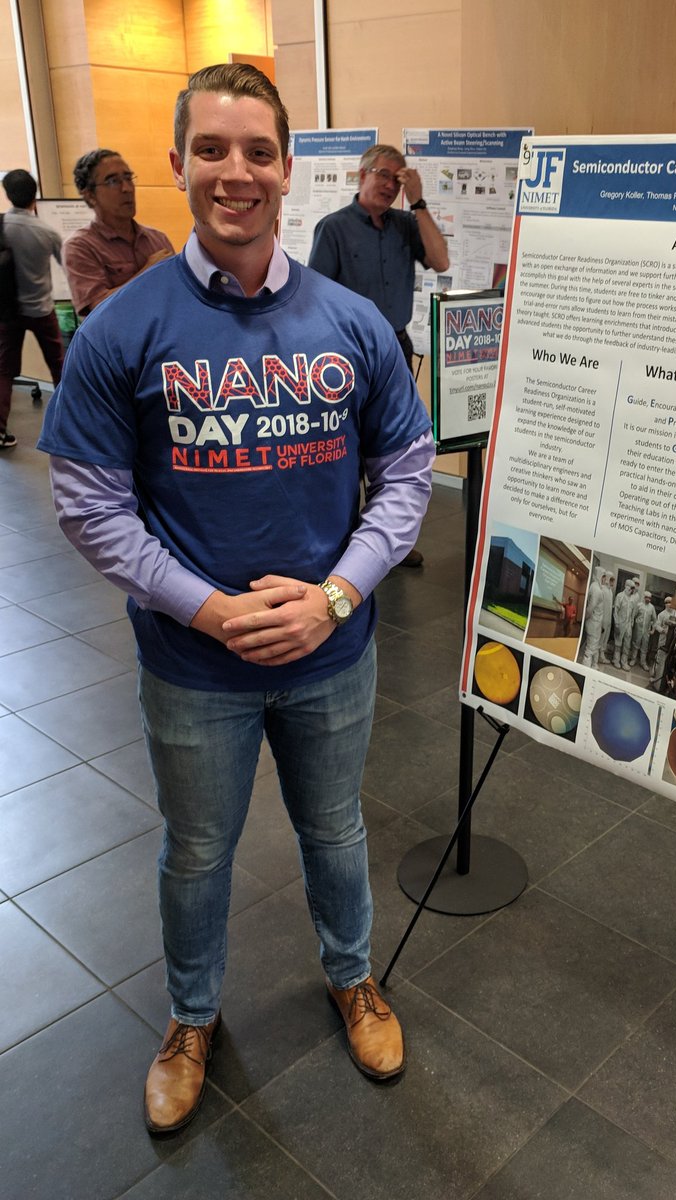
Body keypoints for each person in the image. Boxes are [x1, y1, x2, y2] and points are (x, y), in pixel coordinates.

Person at [39, 63, 433, 1136]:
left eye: (257, 151)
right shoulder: (124, 328)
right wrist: (205, 608)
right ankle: (191, 1017)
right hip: (192, 666)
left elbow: (406, 472)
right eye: (211, 149)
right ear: (176, 164)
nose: (235, 172)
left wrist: (339, 598)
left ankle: (352, 979)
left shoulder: (349, 323)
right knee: (197, 851)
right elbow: (87, 502)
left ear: (286, 169)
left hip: (331, 658)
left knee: (335, 832)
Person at [308, 144, 449, 567]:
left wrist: (419, 199)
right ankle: (344, 540)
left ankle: (385, 539)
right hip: (346, 352)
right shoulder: (333, 227)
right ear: (362, 174)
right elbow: (316, 295)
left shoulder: (407, 224)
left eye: (398, 179)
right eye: (384, 175)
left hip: (395, 344)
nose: (390, 185)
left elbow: (441, 260)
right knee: (347, 446)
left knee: (391, 446)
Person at [63, 148, 174, 318]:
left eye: (128, 178)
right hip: (120, 343)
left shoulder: (157, 239)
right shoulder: (79, 247)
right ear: (90, 195)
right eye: (113, 181)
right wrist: (148, 272)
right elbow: (98, 310)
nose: (127, 188)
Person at [0, 170, 64, 449]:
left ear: (7, 194)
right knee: (60, 368)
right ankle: (69, 425)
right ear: (34, 193)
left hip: (7, 312)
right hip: (41, 309)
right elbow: (68, 267)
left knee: (3, 371)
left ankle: (0, 431)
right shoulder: (47, 231)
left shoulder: (1, 225)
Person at [580, 571, 605, 666]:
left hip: (596, 623)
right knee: (590, 649)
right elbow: (590, 608)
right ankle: (586, 670)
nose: (604, 580)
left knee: (593, 647)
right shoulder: (596, 589)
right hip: (593, 623)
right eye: (603, 577)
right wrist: (585, 619)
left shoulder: (597, 587)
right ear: (599, 576)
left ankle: (593, 666)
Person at [631, 590, 657, 670]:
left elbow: (654, 620)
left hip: (646, 631)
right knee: (635, 645)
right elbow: (633, 616)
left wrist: (653, 630)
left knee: (644, 647)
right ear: (644, 597)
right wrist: (632, 625)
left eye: (649, 598)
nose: (648, 599)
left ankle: (643, 662)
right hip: (638, 630)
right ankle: (633, 659)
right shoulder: (639, 605)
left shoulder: (652, 608)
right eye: (647, 597)